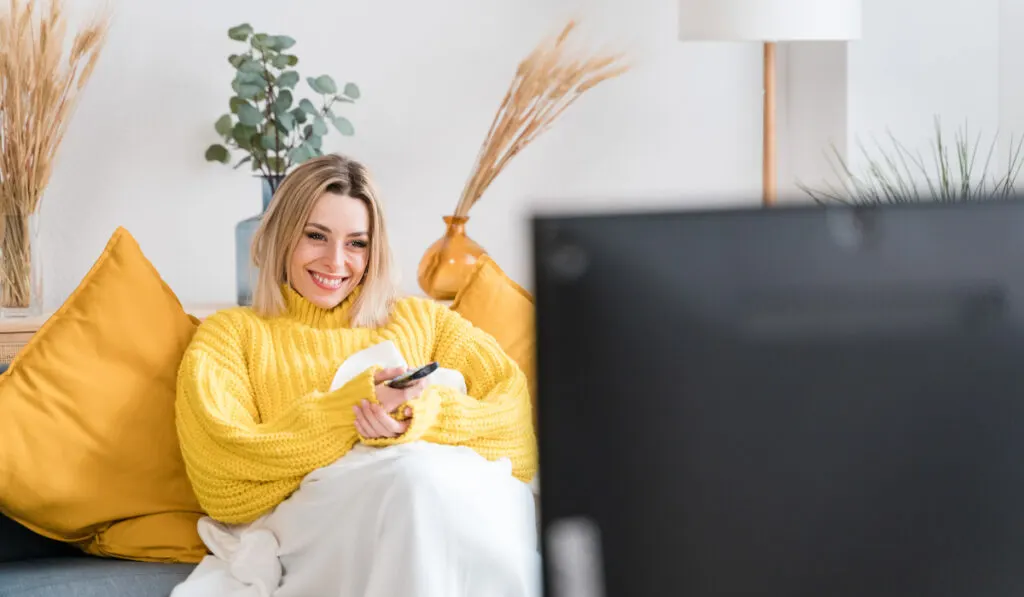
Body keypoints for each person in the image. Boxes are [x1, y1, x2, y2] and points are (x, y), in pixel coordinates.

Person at [172, 154, 539, 597]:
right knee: (413, 485)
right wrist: (351, 412)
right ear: (282, 235)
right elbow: (224, 478)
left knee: (432, 483)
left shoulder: (423, 320)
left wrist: (418, 417)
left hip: (436, 495)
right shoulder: (232, 335)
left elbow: (517, 432)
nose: (335, 261)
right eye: (316, 236)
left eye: (357, 243)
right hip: (322, 523)